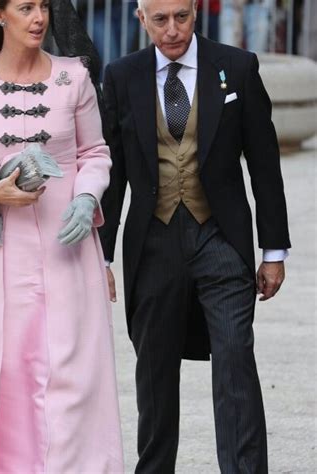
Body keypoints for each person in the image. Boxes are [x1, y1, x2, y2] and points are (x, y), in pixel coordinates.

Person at [0, 0, 123, 471]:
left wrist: (88, 196)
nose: (39, 18)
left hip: (66, 246)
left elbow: (95, 151)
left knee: (70, 372)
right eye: (26, 7)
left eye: (44, 6)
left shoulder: (75, 76)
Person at [99, 0, 290, 472]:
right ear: (140, 19)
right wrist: (99, 259)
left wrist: (273, 251)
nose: (172, 30)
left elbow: (264, 165)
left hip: (221, 238)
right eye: (159, 19)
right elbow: (112, 173)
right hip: (153, 242)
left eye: (181, 16)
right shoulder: (122, 76)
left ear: (196, 13)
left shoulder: (237, 68)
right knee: (155, 374)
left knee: (235, 363)